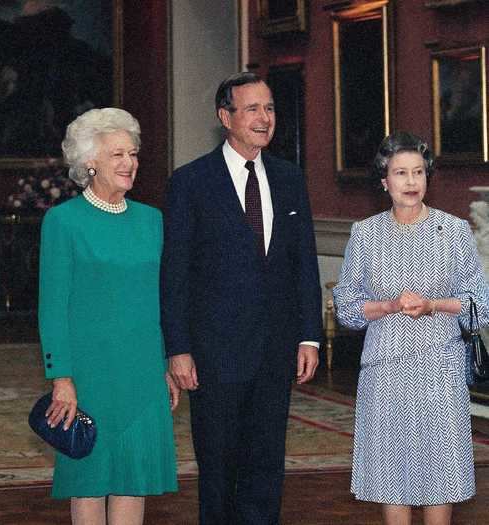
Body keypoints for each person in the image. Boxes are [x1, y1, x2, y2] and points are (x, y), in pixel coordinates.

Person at [161, 71, 323, 524]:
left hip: (275, 350)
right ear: (224, 117)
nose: (263, 118)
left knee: (266, 465)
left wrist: (309, 335)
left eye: (269, 108)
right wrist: (178, 349)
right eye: (251, 108)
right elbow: (174, 274)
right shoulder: (191, 182)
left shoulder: (291, 179)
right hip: (214, 354)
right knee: (219, 468)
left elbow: (303, 263)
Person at [333, 131, 489, 525]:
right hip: (385, 371)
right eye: (400, 173)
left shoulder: (453, 232)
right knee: (391, 476)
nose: (411, 182)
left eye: (418, 172)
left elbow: (481, 306)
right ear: (384, 181)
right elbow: (347, 309)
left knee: (441, 477)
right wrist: (387, 305)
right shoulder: (365, 235)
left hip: (440, 369)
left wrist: (434, 304)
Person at [38, 107, 179, 525]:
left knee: (133, 480)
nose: (129, 163)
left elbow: (161, 300)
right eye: (117, 154)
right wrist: (60, 379)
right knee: (88, 478)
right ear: (89, 161)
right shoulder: (63, 222)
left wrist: (166, 364)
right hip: (89, 378)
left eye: (133, 154)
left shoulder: (152, 220)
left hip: (142, 373)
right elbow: (53, 307)